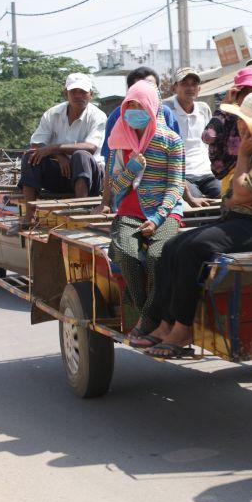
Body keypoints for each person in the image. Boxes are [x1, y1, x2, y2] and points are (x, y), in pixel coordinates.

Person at [134, 91, 252, 358]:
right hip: (245, 221)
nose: (239, 124)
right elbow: (238, 197)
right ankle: (164, 322)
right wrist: (241, 188)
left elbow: (240, 194)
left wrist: (244, 159)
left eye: (243, 120)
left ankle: (182, 327)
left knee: (195, 249)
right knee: (173, 246)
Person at [106, 80, 184, 337]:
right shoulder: (119, 140)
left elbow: (176, 186)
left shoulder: (171, 141)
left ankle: (147, 318)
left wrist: (157, 218)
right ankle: (148, 315)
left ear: (152, 106)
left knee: (156, 257)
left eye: (140, 105)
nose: (134, 111)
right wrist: (132, 169)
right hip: (129, 213)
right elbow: (115, 186)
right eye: (130, 105)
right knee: (126, 254)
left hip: (165, 213)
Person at [20, 73, 107, 221]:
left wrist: (54, 149)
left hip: (89, 178)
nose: (78, 96)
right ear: (66, 93)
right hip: (62, 174)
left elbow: (91, 147)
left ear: (90, 94)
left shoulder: (97, 116)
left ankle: (81, 210)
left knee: (81, 155)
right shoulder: (52, 114)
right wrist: (58, 156)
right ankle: (29, 215)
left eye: (83, 92)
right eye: (74, 91)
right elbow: (37, 143)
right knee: (30, 155)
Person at [93, 66, 180, 215]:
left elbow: (176, 168)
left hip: (162, 201)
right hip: (128, 202)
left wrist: (184, 202)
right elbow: (111, 161)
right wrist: (105, 202)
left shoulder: (166, 115)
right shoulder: (118, 116)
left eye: (150, 87)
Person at [201, 67, 252, 195]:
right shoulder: (228, 115)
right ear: (237, 95)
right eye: (247, 94)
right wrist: (224, 107)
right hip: (232, 181)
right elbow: (208, 136)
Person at [164, 67, 220, 206]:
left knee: (224, 194)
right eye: (184, 83)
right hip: (182, 175)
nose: (190, 88)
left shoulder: (203, 108)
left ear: (199, 89)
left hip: (207, 172)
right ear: (174, 88)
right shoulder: (166, 110)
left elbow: (210, 142)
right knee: (193, 200)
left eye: (194, 84)